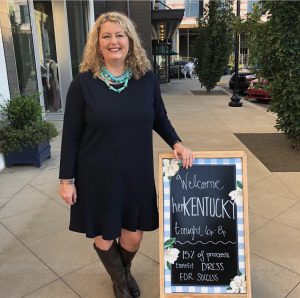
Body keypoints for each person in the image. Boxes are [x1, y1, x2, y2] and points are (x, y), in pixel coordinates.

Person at [59, 11, 193, 298]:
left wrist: (177, 143)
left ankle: (122, 271)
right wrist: (66, 179)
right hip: (96, 174)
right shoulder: (82, 84)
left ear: (130, 41)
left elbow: (159, 118)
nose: (114, 41)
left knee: (133, 236)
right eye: (106, 36)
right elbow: (71, 135)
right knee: (105, 235)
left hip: (136, 173)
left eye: (119, 35)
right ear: (97, 44)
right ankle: (120, 282)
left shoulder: (145, 80)